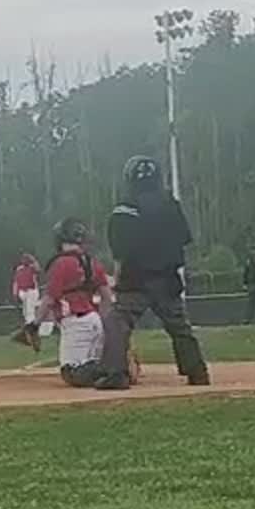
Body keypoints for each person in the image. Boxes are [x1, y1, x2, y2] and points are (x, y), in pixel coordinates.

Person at [97, 156, 209, 388]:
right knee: (179, 326)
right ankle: (197, 372)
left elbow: (120, 252)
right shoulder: (170, 204)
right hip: (167, 278)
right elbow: (183, 240)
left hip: (135, 279)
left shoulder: (124, 209)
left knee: (117, 323)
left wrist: (118, 282)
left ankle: (116, 374)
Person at [41, 219, 115, 387]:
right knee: (90, 362)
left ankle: (115, 371)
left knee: (72, 373)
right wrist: (103, 322)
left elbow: (49, 299)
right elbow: (107, 297)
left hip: (76, 322)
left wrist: (34, 323)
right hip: (94, 319)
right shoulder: (92, 262)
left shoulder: (61, 263)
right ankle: (111, 367)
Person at [9, 253, 51, 353]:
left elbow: (38, 269)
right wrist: (15, 292)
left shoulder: (32, 267)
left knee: (30, 312)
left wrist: (33, 259)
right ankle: (29, 331)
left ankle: (31, 332)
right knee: (26, 312)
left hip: (31, 291)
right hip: (22, 291)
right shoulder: (19, 269)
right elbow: (16, 281)